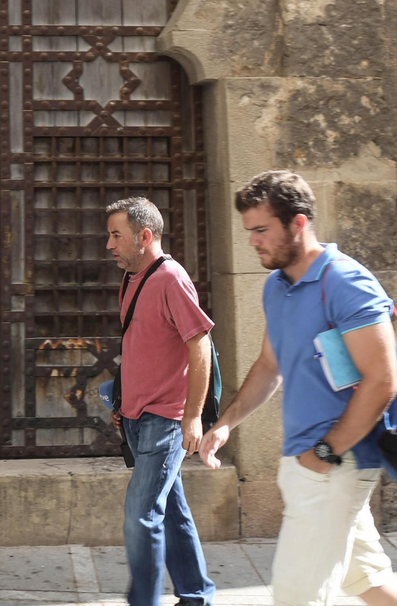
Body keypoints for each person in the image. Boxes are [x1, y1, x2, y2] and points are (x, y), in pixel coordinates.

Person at [197, 171, 397, 606]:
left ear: (298, 223)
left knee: (297, 595)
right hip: (310, 463)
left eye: (262, 230)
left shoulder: (346, 282)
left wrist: (324, 454)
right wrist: (226, 425)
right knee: (368, 583)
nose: (253, 241)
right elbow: (269, 365)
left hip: (337, 464)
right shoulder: (277, 287)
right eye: (249, 232)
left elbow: (383, 379)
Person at [106, 196, 217, 606]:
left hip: (164, 421)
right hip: (136, 417)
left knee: (141, 516)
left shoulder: (170, 277)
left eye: (116, 235)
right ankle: (196, 595)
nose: (109, 244)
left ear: (144, 235)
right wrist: (124, 402)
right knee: (171, 511)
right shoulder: (132, 279)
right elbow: (144, 347)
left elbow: (199, 343)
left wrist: (192, 418)